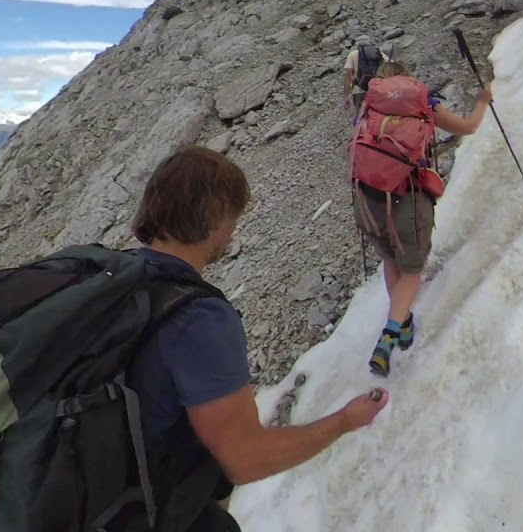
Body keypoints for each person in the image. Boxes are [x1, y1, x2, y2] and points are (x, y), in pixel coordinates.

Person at [123, 145, 390, 530]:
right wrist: (345, 420)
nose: (234, 231)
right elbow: (246, 459)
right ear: (215, 220)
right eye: (233, 219)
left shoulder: (114, 280)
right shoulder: (199, 318)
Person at [348, 61, 493, 377]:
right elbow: (469, 127)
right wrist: (483, 101)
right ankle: (388, 337)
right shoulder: (425, 104)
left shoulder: (367, 106)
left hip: (369, 198)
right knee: (412, 270)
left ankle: (405, 324)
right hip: (409, 199)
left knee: (390, 258)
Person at [342, 41, 390, 114]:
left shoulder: (352, 54)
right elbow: (390, 66)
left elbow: (348, 75)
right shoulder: (378, 53)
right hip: (377, 87)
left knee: (360, 115)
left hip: (359, 89)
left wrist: (346, 96)